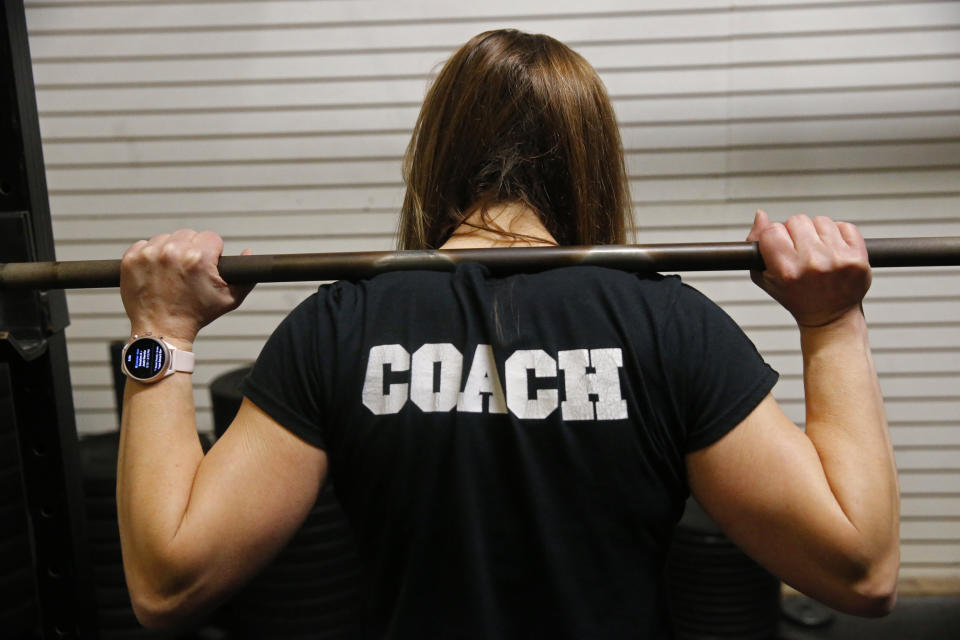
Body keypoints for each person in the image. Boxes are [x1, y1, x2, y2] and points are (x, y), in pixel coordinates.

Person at [116, 29, 899, 638]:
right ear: (593, 164)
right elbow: (861, 571)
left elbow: (166, 583)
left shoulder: (339, 328)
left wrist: (160, 333)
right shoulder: (669, 326)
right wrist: (830, 321)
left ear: (435, 160)